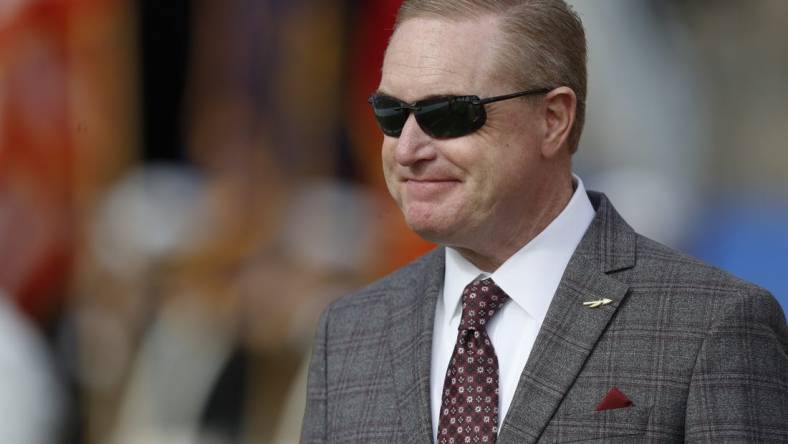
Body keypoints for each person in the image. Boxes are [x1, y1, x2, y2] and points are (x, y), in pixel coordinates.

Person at [301, 1, 788, 443]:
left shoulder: (713, 327)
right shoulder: (348, 333)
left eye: (448, 114)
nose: (406, 150)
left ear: (553, 119)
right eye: (390, 115)